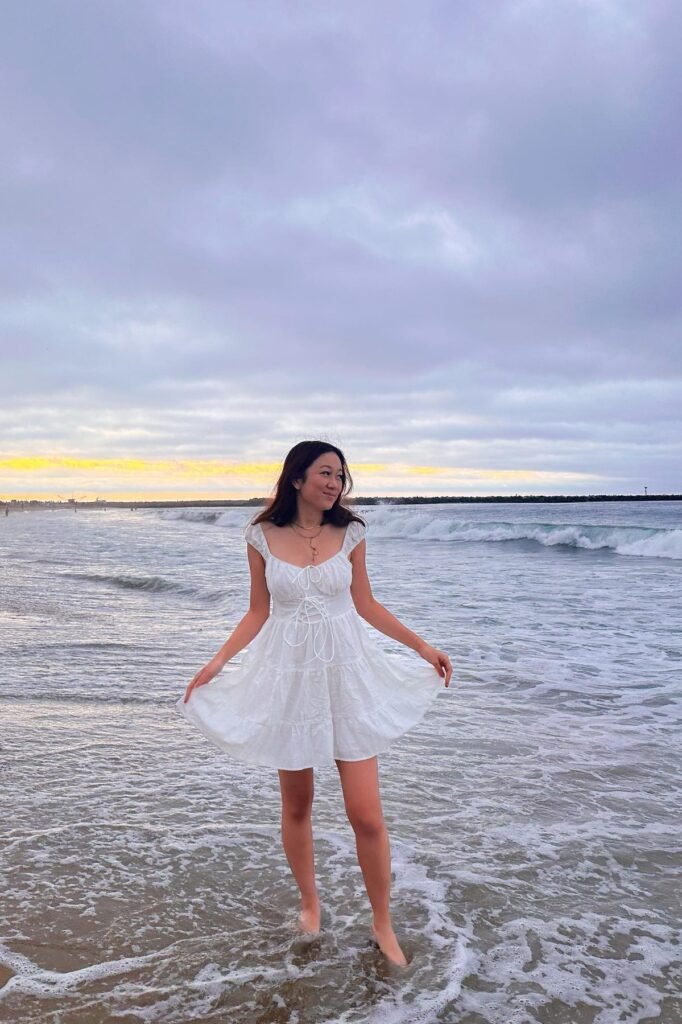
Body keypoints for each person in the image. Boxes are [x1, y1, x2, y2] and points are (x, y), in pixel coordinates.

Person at [178, 440, 452, 966]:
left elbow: (365, 604)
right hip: (291, 678)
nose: (335, 483)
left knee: (366, 814)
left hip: (348, 676)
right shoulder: (260, 535)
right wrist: (216, 663)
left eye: (340, 475)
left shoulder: (351, 532)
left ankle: (382, 922)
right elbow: (258, 611)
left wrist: (421, 645)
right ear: (297, 478)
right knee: (297, 804)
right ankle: (310, 903)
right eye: (325, 473)